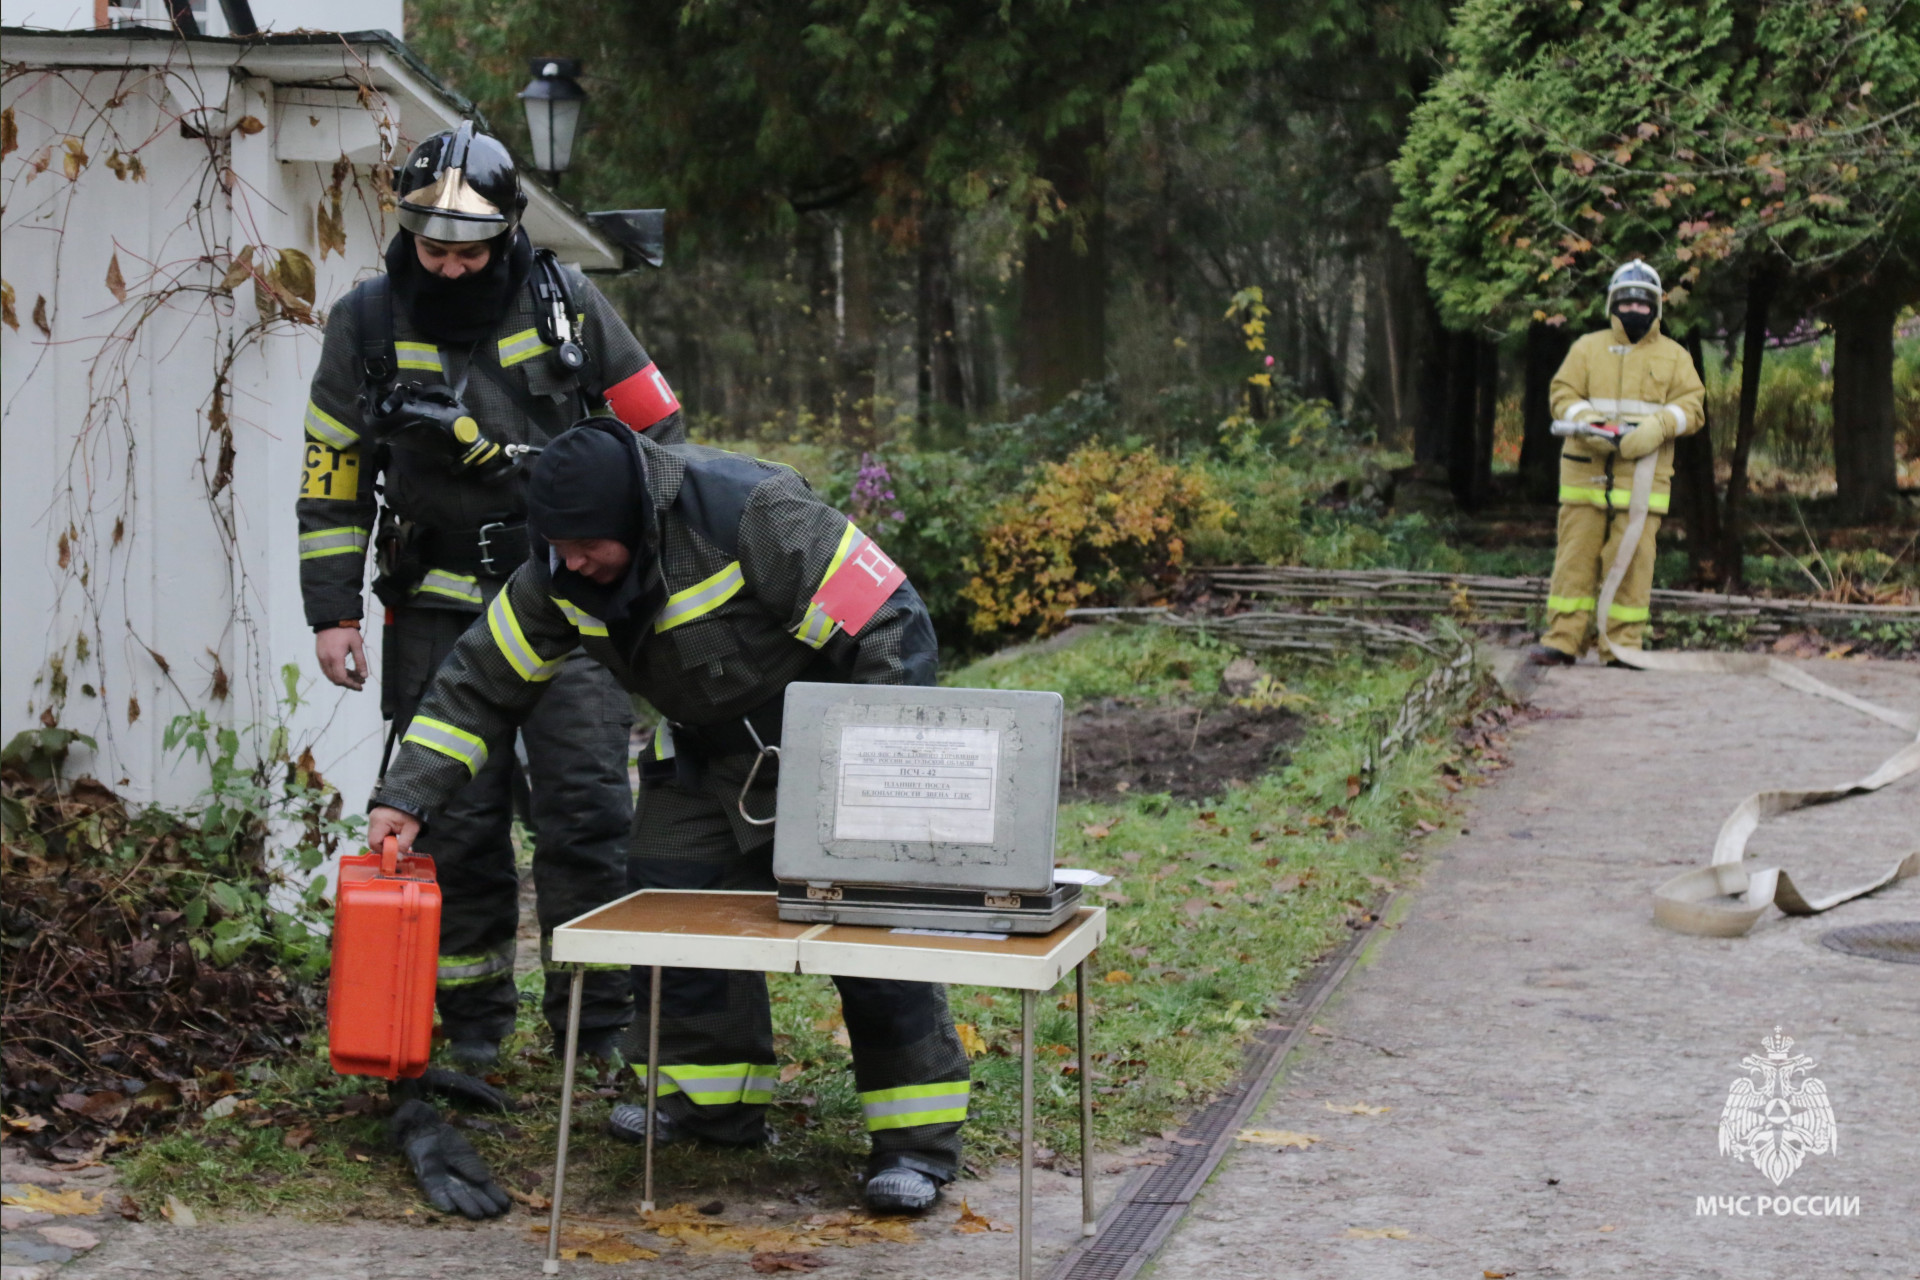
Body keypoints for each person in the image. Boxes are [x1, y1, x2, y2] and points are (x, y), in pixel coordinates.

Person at [364, 420, 971, 1215]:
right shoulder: (559, 569)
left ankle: (915, 1144)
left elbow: (893, 621)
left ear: (635, 522)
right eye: (558, 548)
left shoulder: (751, 511)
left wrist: (877, 780)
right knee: (670, 909)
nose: (572, 564)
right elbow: (478, 682)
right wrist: (405, 794)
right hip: (701, 764)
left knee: (867, 935)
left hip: (827, 753)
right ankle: (712, 1107)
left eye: (587, 548)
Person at [298, 122, 688, 1075]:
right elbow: (332, 472)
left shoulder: (570, 302)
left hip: (567, 611)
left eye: (472, 251)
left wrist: (620, 550)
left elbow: (662, 433)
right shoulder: (366, 320)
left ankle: (595, 1031)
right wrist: (332, 611)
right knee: (457, 824)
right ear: (409, 234)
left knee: (587, 812)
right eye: (436, 249)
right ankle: (471, 1031)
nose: (455, 267)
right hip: (435, 608)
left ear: (508, 233)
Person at [1529, 259, 1706, 666]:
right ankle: (1562, 640)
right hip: (1584, 476)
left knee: (1632, 566)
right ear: (1613, 304)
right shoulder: (1586, 349)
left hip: (1642, 482)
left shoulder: (1675, 357)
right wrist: (1587, 422)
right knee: (1574, 560)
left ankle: (1621, 646)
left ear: (1656, 309)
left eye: (1644, 304)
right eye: (1626, 303)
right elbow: (1562, 395)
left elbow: (1692, 407)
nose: (1635, 311)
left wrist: (1659, 426)